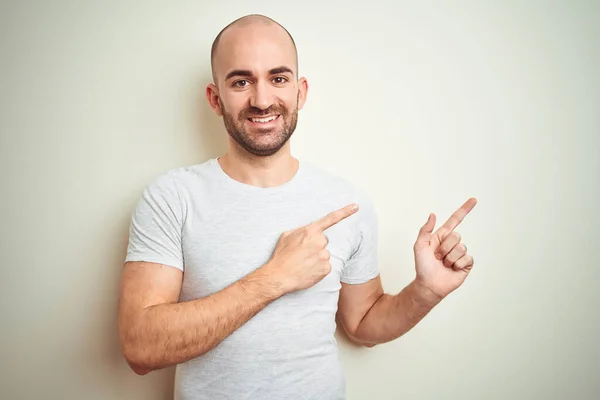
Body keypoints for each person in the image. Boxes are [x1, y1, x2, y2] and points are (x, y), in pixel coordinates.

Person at [117, 14, 477, 400]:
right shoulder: (172, 197)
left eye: (278, 78)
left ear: (301, 91)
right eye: (241, 81)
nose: (262, 99)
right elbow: (142, 349)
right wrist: (275, 278)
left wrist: (425, 291)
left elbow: (362, 324)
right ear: (215, 97)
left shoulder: (347, 203)